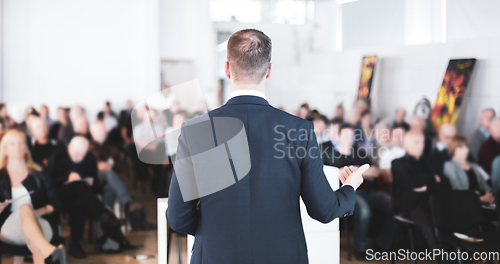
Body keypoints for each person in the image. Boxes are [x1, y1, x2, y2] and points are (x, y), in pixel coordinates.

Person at [167, 29, 365, 264]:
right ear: (269, 69)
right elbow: (324, 210)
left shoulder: (196, 131)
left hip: (215, 256)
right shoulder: (299, 130)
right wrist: (350, 188)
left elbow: (179, 218)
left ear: (227, 68)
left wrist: (215, 230)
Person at [46, 136, 130, 258]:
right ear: (69, 147)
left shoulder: (90, 159)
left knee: (79, 203)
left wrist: (88, 183)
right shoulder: (58, 156)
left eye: (82, 154)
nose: (79, 157)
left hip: (84, 199)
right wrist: (67, 178)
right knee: (80, 186)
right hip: (60, 196)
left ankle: (75, 245)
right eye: (76, 154)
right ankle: (103, 215)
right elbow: (48, 182)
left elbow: (95, 183)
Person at [322, 124, 395, 260]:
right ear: (338, 136)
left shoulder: (359, 152)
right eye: (345, 135)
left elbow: (375, 171)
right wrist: (359, 172)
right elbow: (330, 176)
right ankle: (360, 248)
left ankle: (381, 244)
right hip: (350, 193)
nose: (349, 139)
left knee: (395, 206)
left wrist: (356, 171)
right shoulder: (330, 154)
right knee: (364, 210)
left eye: (351, 136)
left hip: (370, 191)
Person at [0, 130, 65, 264]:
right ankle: (50, 251)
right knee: (25, 209)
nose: (17, 147)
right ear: (5, 149)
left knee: (33, 233)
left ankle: (49, 251)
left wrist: (38, 212)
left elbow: (57, 203)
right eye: (12, 144)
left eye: (21, 143)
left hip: (39, 221)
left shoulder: (39, 172)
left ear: (26, 148)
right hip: (7, 226)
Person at [391, 131, 448, 250]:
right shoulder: (398, 163)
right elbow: (412, 182)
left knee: (453, 218)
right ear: (406, 145)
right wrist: (432, 178)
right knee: (430, 226)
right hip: (411, 207)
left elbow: (444, 182)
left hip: (432, 203)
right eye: (417, 142)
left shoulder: (428, 162)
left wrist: (426, 187)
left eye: (422, 142)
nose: (421, 145)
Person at [443, 135, 494, 203]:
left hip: (483, 200)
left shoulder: (474, 166)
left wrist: (490, 195)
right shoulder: (449, 166)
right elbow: (458, 192)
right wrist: (481, 199)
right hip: (467, 204)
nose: (465, 150)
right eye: (461, 147)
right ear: (454, 149)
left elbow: (485, 185)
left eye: (466, 146)